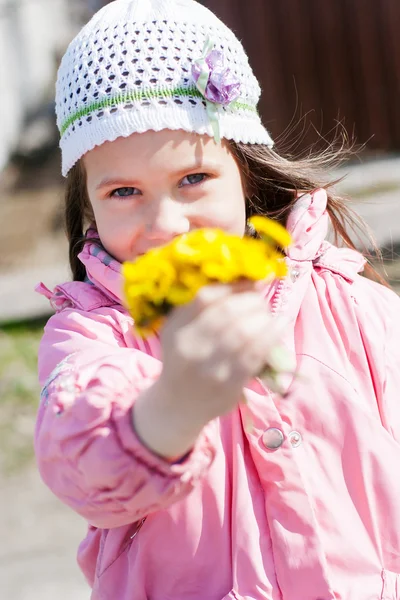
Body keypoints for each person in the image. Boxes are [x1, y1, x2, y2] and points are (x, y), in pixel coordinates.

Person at [34, 0, 400, 598]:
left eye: (192, 179)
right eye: (125, 190)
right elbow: (81, 462)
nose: (167, 224)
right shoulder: (92, 336)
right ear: (87, 205)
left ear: (245, 171)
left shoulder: (353, 307)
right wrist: (171, 405)